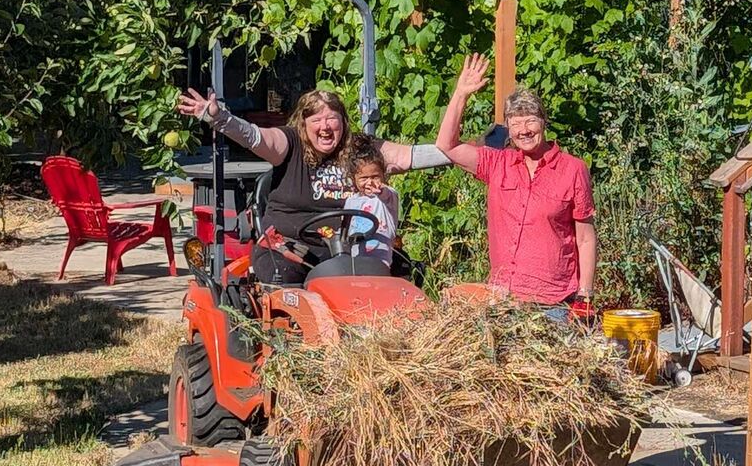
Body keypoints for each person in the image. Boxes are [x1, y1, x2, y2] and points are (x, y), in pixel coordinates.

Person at [177, 86, 439, 285]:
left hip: (353, 249)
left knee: (404, 273)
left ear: (343, 122)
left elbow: (412, 156)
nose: (324, 127)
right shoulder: (289, 144)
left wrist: (463, 154)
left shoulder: (361, 149)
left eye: (332, 119)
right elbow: (255, 137)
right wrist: (220, 118)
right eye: (316, 120)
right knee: (284, 279)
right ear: (303, 125)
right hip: (291, 249)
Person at [435, 54, 597, 317]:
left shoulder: (572, 169)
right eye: (515, 122)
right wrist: (461, 93)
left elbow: (586, 238)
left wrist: (585, 295)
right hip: (503, 300)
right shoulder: (497, 163)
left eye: (530, 120)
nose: (524, 130)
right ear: (508, 128)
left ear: (544, 122)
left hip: (553, 302)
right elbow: (446, 145)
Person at [343, 134, 399, 269]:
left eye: (375, 177)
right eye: (364, 178)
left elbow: (386, 195)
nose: (370, 182)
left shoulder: (387, 198)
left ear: (383, 175)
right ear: (354, 178)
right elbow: (346, 229)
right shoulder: (351, 201)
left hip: (380, 263)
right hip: (355, 263)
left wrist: (380, 190)